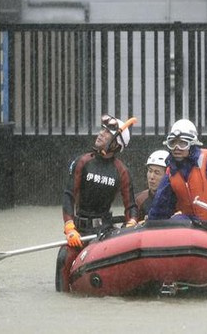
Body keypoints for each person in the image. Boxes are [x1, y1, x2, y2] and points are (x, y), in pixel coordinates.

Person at [55, 114, 138, 292]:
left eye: (107, 132)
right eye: (102, 129)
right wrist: (69, 228)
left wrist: (131, 223)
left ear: (117, 144)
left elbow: (131, 207)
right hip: (80, 231)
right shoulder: (82, 162)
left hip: (104, 233)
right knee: (63, 258)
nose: (100, 134)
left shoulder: (122, 171)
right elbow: (68, 195)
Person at [135, 150, 169, 221]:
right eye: (150, 171)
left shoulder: (177, 199)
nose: (151, 177)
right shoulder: (140, 199)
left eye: (157, 172)